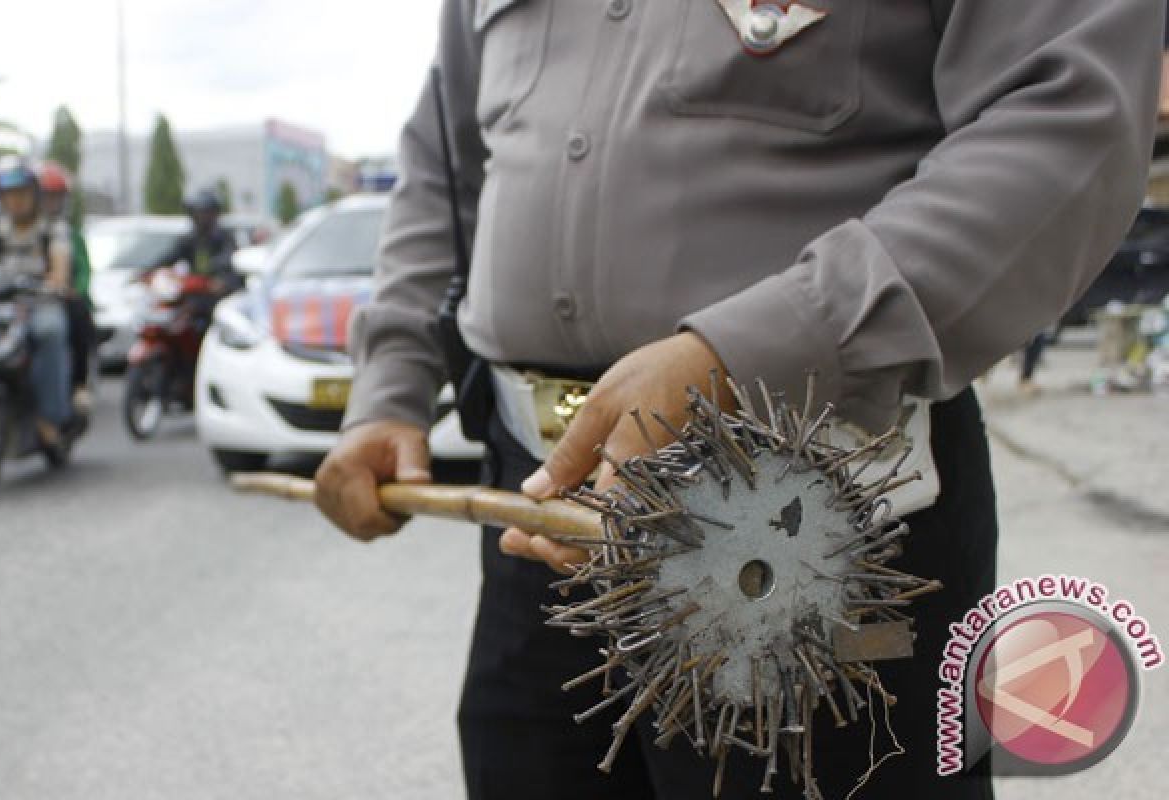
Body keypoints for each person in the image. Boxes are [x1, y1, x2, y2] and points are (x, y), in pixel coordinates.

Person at [315, 2, 1162, 799]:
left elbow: (1068, 122)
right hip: (536, 520)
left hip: (822, 524)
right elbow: (445, 168)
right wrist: (390, 388)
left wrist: (750, 357)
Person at [0, 155, 74, 449]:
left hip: (37, 304)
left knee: (50, 332)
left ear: (34, 194)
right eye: (9, 195)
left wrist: (55, 280)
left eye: (22, 194)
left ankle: (50, 417)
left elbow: (60, 265)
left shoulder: (52, 228)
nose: (16, 201)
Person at [39, 160, 96, 413]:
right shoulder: (12, 230)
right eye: (46, 197)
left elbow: (83, 270)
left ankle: (79, 384)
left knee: (78, 318)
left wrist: (76, 289)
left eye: (56, 197)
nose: (51, 203)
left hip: (62, 297)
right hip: (29, 299)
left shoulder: (69, 234)